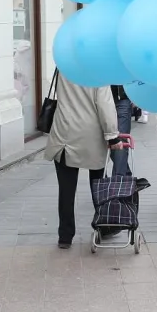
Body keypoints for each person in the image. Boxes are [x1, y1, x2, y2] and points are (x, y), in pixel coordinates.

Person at [45, 73, 127, 249]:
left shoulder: (64, 66)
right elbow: (105, 105)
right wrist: (112, 136)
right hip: (92, 135)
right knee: (98, 187)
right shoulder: (97, 71)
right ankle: (102, 228)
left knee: (66, 190)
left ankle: (65, 236)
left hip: (64, 133)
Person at [110, 86, 132, 175]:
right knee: (107, 139)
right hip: (101, 95)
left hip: (121, 98)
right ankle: (126, 176)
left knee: (120, 139)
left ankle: (119, 180)